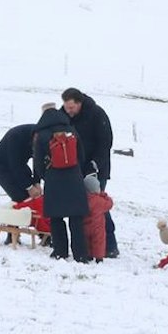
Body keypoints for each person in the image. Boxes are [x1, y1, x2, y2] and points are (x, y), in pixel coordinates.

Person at [61, 88, 118, 257]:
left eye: (71, 107)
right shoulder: (64, 115)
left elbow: (105, 143)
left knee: (98, 206)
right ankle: (88, 244)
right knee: (81, 207)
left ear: (79, 103)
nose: (69, 111)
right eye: (66, 107)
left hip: (96, 170)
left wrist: (95, 164)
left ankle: (110, 245)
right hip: (74, 169)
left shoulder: (97, 115)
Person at [32, 103, 90, 261]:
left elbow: (37, 162)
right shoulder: (71, 129)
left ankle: (60, 251)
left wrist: (46, 175)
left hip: (54, 178)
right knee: (76, 217)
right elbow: (81, 154)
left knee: (56, 218)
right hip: (74, 177)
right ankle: (81, 254)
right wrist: (77, 171)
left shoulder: (41, 134)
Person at [0, 124, 38, 204]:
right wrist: (30, 187)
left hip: (20, 163)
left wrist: (36, 182)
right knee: (21, 196)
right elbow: (15, 166)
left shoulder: (43, 139)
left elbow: (38, 160)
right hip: (0, 165)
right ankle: (15, 214)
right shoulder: (16, 136)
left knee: (34, 196)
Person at [82, 172, 114, 263]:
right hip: (98, 227)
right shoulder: (100, 201)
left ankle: (89, 255)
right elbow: (109, 204)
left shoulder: (84, 199)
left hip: (86, 225)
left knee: (87, 241)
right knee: (99, 242)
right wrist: (104, 195)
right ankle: (99, 257)